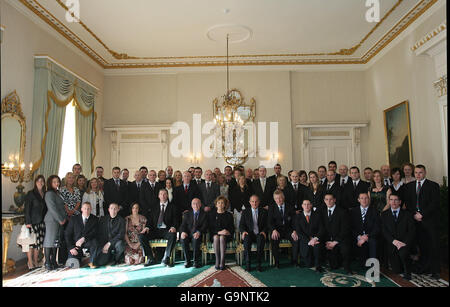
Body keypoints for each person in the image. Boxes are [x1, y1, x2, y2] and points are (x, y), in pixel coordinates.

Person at [404, 165, 441, 279]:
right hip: (415, 220)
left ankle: (435, 271)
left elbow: (434, 203)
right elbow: (408, 203)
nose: (418, 175)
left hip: (429, 221)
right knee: (422, 245)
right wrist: (414, 214)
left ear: (425, 173)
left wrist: (422, 214)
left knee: (433, 245)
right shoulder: (409, 186)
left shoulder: (433, 185)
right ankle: (424, 268)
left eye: (420, 172)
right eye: (416, 172)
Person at [140, 189, 179, 267]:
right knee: (141, 236)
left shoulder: (173, 207)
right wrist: (147, 227)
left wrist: (173, 227)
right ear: (158, 196)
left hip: (166, 230)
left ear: (167, 195)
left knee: (172, 235)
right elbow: (150, 220)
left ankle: (166, 258)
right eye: (161, 194)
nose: (163, 196)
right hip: (155, 230)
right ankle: (150, 258)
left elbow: (176, 220)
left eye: (165, 194)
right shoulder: (154, 207)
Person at [381, 193, 415, 280]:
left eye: (396, 200)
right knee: (397, 270)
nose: (393, 202)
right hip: (391, 243)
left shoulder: (407, 214)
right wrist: (394, 241)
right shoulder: (384, 214)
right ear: (389, 201)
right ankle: (400, 265)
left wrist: (404, 243)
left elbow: (411, 231)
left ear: (400, 202)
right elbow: (384, 231)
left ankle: (408, 271)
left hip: (404, 243)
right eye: (391, 200)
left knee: (403, 254)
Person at [321, 192, 352, 274]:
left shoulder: (342, 211)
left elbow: (345, 230)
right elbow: (322, 228)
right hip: (328, 240)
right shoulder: (322, 211)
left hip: (340, 239)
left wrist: (335, 242)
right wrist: (327, 241)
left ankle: (347, 267)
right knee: (334, 266)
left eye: (331, 199)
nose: (329, 201)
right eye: (326, 199)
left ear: (334, 200)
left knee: (345, 248)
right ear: (324, 201)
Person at [268, 190, 298, 268]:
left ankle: (294, 261)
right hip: (277, 231)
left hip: (289, 230)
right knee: (274, 240)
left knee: (296, 239)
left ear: (283, 197)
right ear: (274, 199)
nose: (279, 200)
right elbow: (269, 222)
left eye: (280, 198)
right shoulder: (272, 207)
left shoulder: (290, 206)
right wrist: (273, 230)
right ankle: (277, 263)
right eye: (277, 198)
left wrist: (294, 231)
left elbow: (294, 221)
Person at [43, 175, 67, 270]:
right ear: (50, 183)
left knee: (56, 241)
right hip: (52, 220)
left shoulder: (57, 192)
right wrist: (60, 219)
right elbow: (52, 208)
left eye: (57, 181)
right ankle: (47, 262)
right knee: (50, 240)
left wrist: (62, 218)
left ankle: (53, 261)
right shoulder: (49, 193)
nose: (56, 183)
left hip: (58, 220)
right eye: (54, 182)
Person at [350, 192, 380, 268]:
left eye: (366, 198)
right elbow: (351, 227)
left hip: (370, 236)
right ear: (358, 200)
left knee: (373, 242)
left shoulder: (374, 211)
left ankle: (374, 268)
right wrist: (359, 237)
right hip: (357, 236)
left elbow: (377, 227)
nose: (364, 200)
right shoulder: (353, 211)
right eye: (362, 198)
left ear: (369, 199)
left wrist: (367, 236)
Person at [65, 202, 99, 268]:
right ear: (81, 209)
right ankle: (80, 259)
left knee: (95, 242)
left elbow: (95, 233)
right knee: (73, 265)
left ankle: (92, 262)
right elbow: (67, 234)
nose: (86, 210)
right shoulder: (74, 219)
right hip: (76, 246)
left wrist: (84, 238)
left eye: (88, 209)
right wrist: (71, 248)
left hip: (88, 243)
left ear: (91, 209)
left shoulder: (95, 219)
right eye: (85, 208)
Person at [294, 199, 324, 272]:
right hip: (305, 241)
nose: (306, 206)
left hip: (315, 240)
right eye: (304, 204)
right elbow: (299, 231)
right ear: (302, 206)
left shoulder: (317, 215)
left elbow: (321, 229)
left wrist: (315, 238)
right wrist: (309, 241)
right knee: (309, 264)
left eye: (308, 204)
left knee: (317, 247)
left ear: (311, 205)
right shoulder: (298, 216)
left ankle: (318, 266)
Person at [240, 195, 268, 272]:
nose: (254, 203)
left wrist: (264, 231)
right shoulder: (245, 212)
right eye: (252, 201)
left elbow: (267, 224)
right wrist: (243, 231)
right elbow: (241, 225)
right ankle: (248, 264)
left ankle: (259, 264)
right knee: (246, 239)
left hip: (260, 233)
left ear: (259, 202)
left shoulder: (264, 211)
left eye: (256, 201)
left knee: (261, 238)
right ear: (249, 202)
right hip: (249, 234)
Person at [24, 175, 47, 270]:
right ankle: (30, 262)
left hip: (42, 222)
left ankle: (36, 260)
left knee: (39, 243)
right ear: (35, 182)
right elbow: (27, 209)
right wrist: (28, 222)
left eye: (42, 181)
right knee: (31, 243)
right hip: (32, 222)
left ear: (44, 183)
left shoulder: (45, 193)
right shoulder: (31, 193)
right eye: (38, 181)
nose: (40, 182)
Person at [59, 172, 81, 264]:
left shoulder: (76, 189)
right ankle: (62, 259)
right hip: (65, 215)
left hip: (75, 215)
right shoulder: (62, 189)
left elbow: (78, 201)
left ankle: (74, 256)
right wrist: (68, 212)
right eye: (69, 178)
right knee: (65, 237)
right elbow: (62, 202)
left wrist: (73, 211)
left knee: (75, 236)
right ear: (66, 179)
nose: (71, 179)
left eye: (72, 178)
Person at [180, 198, 208, 268]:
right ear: (191, 205)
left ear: (200, 205)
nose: (196, 205)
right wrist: (183, 232)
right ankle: (187, 261)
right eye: (194, 203)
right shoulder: (187, 214)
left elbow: (205, 226)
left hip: (198, 234)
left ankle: (196, 261)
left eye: (197, 203)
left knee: (196, 239)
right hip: (188, 234)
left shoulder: (204, 214)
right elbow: (183, 225)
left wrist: (199, 232)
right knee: (183, 239)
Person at [208, 196, 234, 270]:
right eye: (218, 203)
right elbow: (210, 228)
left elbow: (232, 228)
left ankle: (222, 261)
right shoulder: (212, 215)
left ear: (225, 205)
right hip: (214, 234)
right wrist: (219, 232)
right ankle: (217, 260)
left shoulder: (229, 215)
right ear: (216, 205)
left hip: (226, 236)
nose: (220, 204)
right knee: (216, 237)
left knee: (222, 237)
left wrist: (228, 232)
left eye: (222, 203)